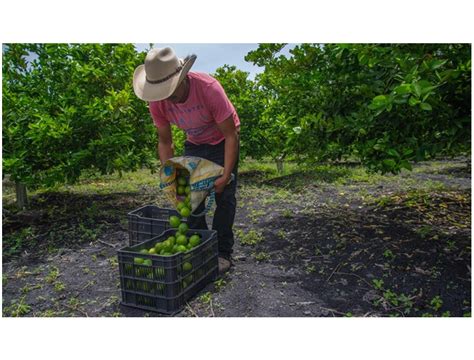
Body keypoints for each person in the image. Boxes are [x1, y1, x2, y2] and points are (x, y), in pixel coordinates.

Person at [133, 47, 240, 274]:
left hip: (222, 141)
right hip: (195, 143)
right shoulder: (158, 101)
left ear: (181, 78)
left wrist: (225, 174)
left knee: (224, 196)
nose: (167, 97)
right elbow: (164, 141)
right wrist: (170, 172)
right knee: (187, 198)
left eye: (170, 91)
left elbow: (231, 135)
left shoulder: (208, 89)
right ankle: (201, 246)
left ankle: (222, 252)